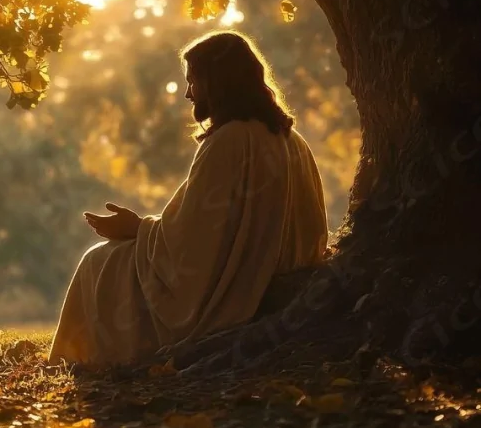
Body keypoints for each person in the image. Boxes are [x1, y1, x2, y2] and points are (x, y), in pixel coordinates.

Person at [48, 31, 328, 365]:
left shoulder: (229, 141)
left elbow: (192, 244)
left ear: (216, 82)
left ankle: (79, 360)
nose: (187, 93)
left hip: (234, 295)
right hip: (277, 279)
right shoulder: (293, 139)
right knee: (109, 258)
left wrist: (137, 228)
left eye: (193, 82)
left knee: (99, 261)